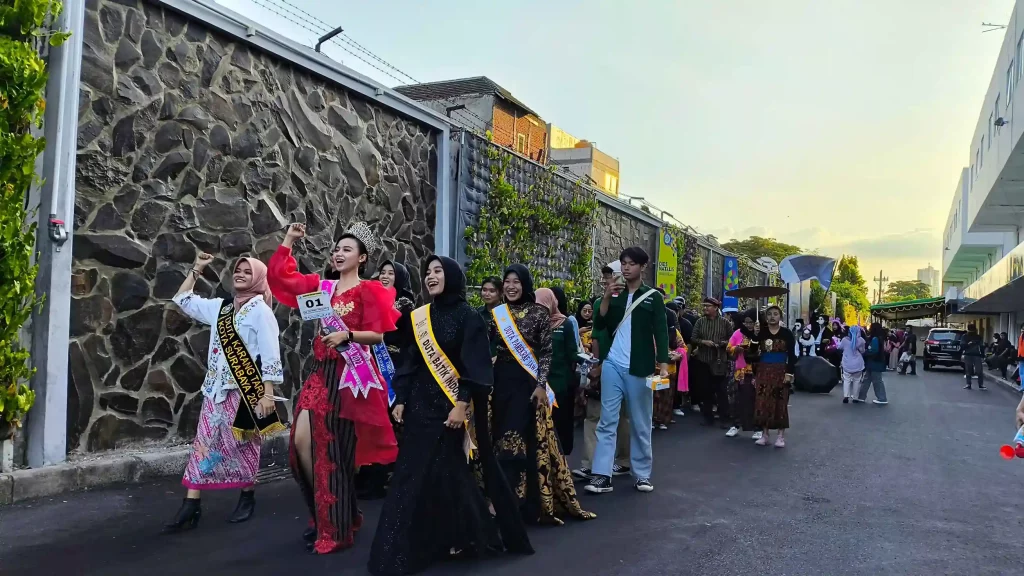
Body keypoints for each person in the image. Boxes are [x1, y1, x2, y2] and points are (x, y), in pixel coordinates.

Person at [368, 256, 533, 575]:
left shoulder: (469, 317)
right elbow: (411, 362)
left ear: (452, 276)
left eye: (437, 271)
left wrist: (461, 404)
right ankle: (423, 540)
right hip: (419, 405)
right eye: (427, 272)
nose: (430, 276)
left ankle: (464, 532)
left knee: (445, 470)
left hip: (449, 406)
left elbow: (476, 365)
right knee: (415, 473)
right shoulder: (420, 317)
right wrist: (400, 398)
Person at [268, 223, 399, 554]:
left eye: (346, 250)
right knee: (300, 446)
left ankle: (336, 526)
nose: (338, 254)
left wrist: (347, 336)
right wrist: (288, 241)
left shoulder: (369, 291)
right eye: (337, 249)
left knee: (331, 451)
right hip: (319, 373)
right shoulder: (321, 287)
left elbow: (379, 334)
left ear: (362, 258)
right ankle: (327, 514)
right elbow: (284, 279)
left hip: (348, 378)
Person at [163, 253, 284, 533]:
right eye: (237, 270)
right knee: (203, 443)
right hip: (216, 390)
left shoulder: (261, 312)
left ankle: (247, 496)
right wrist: (198, 268)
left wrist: (267, 394)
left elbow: (270, 354)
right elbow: (182, 300)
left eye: (246, 271)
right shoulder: (222, 308)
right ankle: (191, 504)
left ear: (257, 277)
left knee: (244, 444)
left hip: (246, 391)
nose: (240, 274)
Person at [488, 264, 595, 523]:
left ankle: (521, 499)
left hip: (527, 386)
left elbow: (546, 353)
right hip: (500, 384)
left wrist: (540, 385)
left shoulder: (538, 313)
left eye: (517, 281)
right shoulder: (497, 314)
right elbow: (489, 348)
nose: (511, 286)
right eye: (507, 281)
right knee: (498, 439)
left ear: (525, 284)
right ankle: (500, 497)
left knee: (520, 441)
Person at [584, 247, 669, 495]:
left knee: (641, 422)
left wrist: (663, 363)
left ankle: (642, 474)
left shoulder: (652, 296)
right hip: (612, 364)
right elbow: (599, 324)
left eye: (632, 263)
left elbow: (661, 332)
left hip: (640, 367)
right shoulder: (613, 295)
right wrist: (608, 296)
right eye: (623, 263)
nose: (626, 268)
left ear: (643, 266)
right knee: (607, 421)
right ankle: (601, 475)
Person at [357, 260, 417, 500]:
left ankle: (383, 478)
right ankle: (367, 473)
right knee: (369, 423)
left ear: (400, 278)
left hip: (394, 369)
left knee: (388, 424)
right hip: (370, 367)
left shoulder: (406, 306)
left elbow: (409, 343)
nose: (385, 276)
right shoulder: (372, 301)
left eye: (391, 273)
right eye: (382, 272)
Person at [536, 287, 579, 455]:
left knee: (560, 424)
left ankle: (561, 460)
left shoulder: (565, 324)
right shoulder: (533, 323)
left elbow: (572, 353)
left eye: (543, 306)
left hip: (560, 383)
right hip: (539, 382)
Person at [753, 305, 797, 447]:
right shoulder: (761, 333)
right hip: (764, 370)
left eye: (775, 314)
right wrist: (755, 336)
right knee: (762, 401)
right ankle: (765, 434)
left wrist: (789, 373)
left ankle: (780, 436)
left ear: (780, 317)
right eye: (770, 314)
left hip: (780, 371)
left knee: (780, 401)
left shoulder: (787, 333)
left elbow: (792, 355)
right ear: (766, 317)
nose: (772, 316)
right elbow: (752, 353)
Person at [689, 297, 733, 430]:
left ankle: (724, 418)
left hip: (720, 361)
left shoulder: (725, 323)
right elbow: (693, 338)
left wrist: (723, 344)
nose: (705, 308)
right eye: (704, 306)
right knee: (705, 391)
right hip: (703, 360)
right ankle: (708, 417)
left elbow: (732, 340)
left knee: (721, 391)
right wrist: (704, 342)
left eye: (708, 306)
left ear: (716, 308)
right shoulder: (700, 322)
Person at [726, 310, 759, 439]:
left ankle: (758, 428)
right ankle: (735, 425)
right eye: (746, 322)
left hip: (756, 371)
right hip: (740, 372)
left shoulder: (760, 333)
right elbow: (729, 348)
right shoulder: (738, 333)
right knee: (736, 400)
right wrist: (737, 348)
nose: (749, 325)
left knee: (754, 401)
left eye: (751, 322)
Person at [653, 288, 680, 431]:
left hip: (669, 368)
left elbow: (682, 347)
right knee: (653, 396)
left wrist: (678, 355)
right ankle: (652, 419)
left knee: (666, 396)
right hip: (652, 368)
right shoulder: (647, 329)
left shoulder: (673, 332)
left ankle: (664, 420)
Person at [856, 323, 890, 405]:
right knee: (868, 379)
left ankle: (882, 398)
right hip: (876, 362)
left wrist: (865, 352)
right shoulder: (879, 338)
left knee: (875, 381)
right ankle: (861, 397)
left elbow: (874, 350)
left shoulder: (875, 339)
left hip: (874, 362)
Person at [839, 325, 866, 404]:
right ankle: (855, 397)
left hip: (847, 363)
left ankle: (846, 396)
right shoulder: (861, 340)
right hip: (858, 363)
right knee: (857, 381)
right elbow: (863, 351)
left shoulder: (844, 340)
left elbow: (840, 348)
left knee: (846, 380)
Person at [961, 323, 987, 390]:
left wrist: (982, 355)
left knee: (974, 370)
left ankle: (971, 384)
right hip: (972, 355)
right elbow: (962, 345)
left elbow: (981, 346)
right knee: (973, 370)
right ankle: (975, 384)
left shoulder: (976, 337)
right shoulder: (966, 336)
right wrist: (968, 344)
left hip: (972, 355)